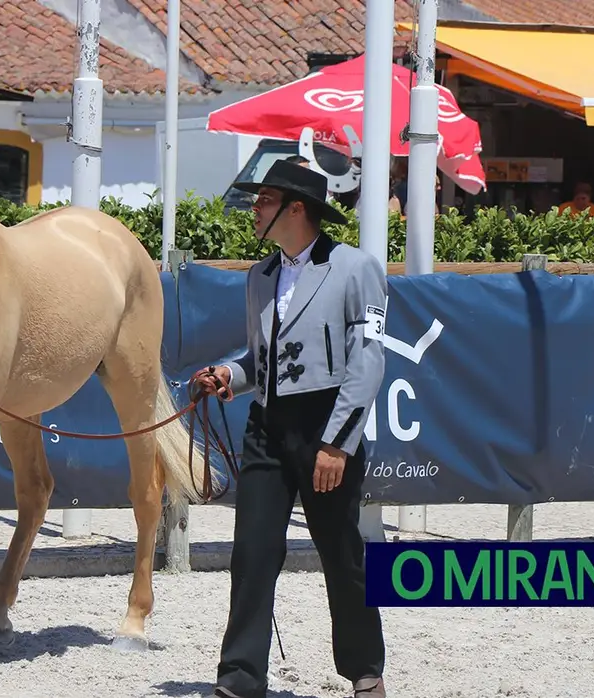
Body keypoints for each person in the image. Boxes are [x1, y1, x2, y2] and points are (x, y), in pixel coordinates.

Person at [195, 159, 389, 698]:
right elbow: (266, 360)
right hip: (268, 428)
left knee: (341, 553)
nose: (254, 209)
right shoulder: (260, 277)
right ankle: (239, 678)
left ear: (295, 208)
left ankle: (364, 669)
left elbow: (368, 361)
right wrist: (229, 375)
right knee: (252, 553)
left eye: (264, 200)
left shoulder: (356, 268)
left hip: (326, 428)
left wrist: (337, 444)